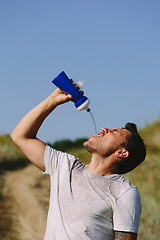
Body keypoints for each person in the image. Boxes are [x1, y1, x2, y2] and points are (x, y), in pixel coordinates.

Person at [11, 87, 146, 240]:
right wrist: (52, 100)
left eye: (114, 132)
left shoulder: (123, 192)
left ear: (121, 153)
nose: (104, 129)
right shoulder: (65, 166)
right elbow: (20, 136)